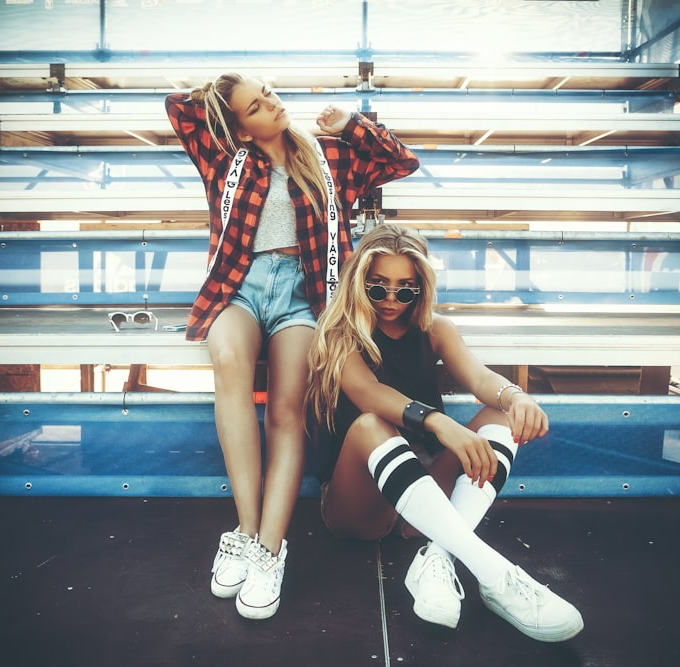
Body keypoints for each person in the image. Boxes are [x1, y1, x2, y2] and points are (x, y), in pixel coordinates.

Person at [165, 74, 418, 620]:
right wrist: (215, 90)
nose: (272, 106)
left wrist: (350, 124)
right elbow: (180, 110)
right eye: (255, 106)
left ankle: (271, 549)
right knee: (228, 361)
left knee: (286, 408)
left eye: (270, 94)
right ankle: (246, 529)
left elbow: (402, 162)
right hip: (240, 287)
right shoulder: (224, 160)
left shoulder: (330, 156)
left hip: (306, 297)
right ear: (238, 125)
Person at [305, 223, 584, 641]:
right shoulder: (339, 334)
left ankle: (437, 555)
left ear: (421, 288)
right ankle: (495, 574)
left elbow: (477, 376)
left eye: (406, 288)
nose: (392, 300)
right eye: (378, 287)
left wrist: (514, 396)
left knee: (502, 416)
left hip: (423, 492)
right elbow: (369, 394)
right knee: (371, 425)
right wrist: (438, 422)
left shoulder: (435, 330)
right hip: (359, 507)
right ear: (358, 282)